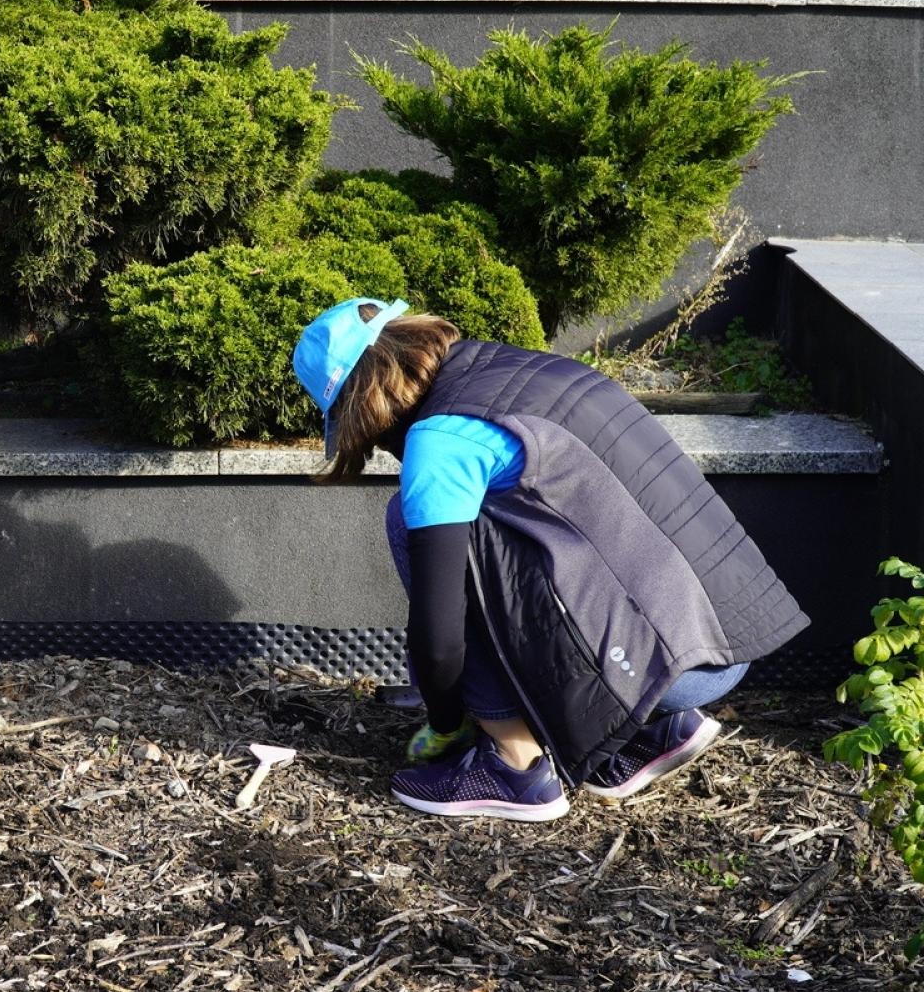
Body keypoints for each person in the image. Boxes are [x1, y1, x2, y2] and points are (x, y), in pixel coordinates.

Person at [292, 297, 808, 822]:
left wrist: (449, 721)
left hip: (681, 671)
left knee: (407, 518)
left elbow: (440, 635)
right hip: (731, 643)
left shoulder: (442, 441)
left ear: (360, 405)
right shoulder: (531, 368)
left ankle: (513, 767)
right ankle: (654, 731)